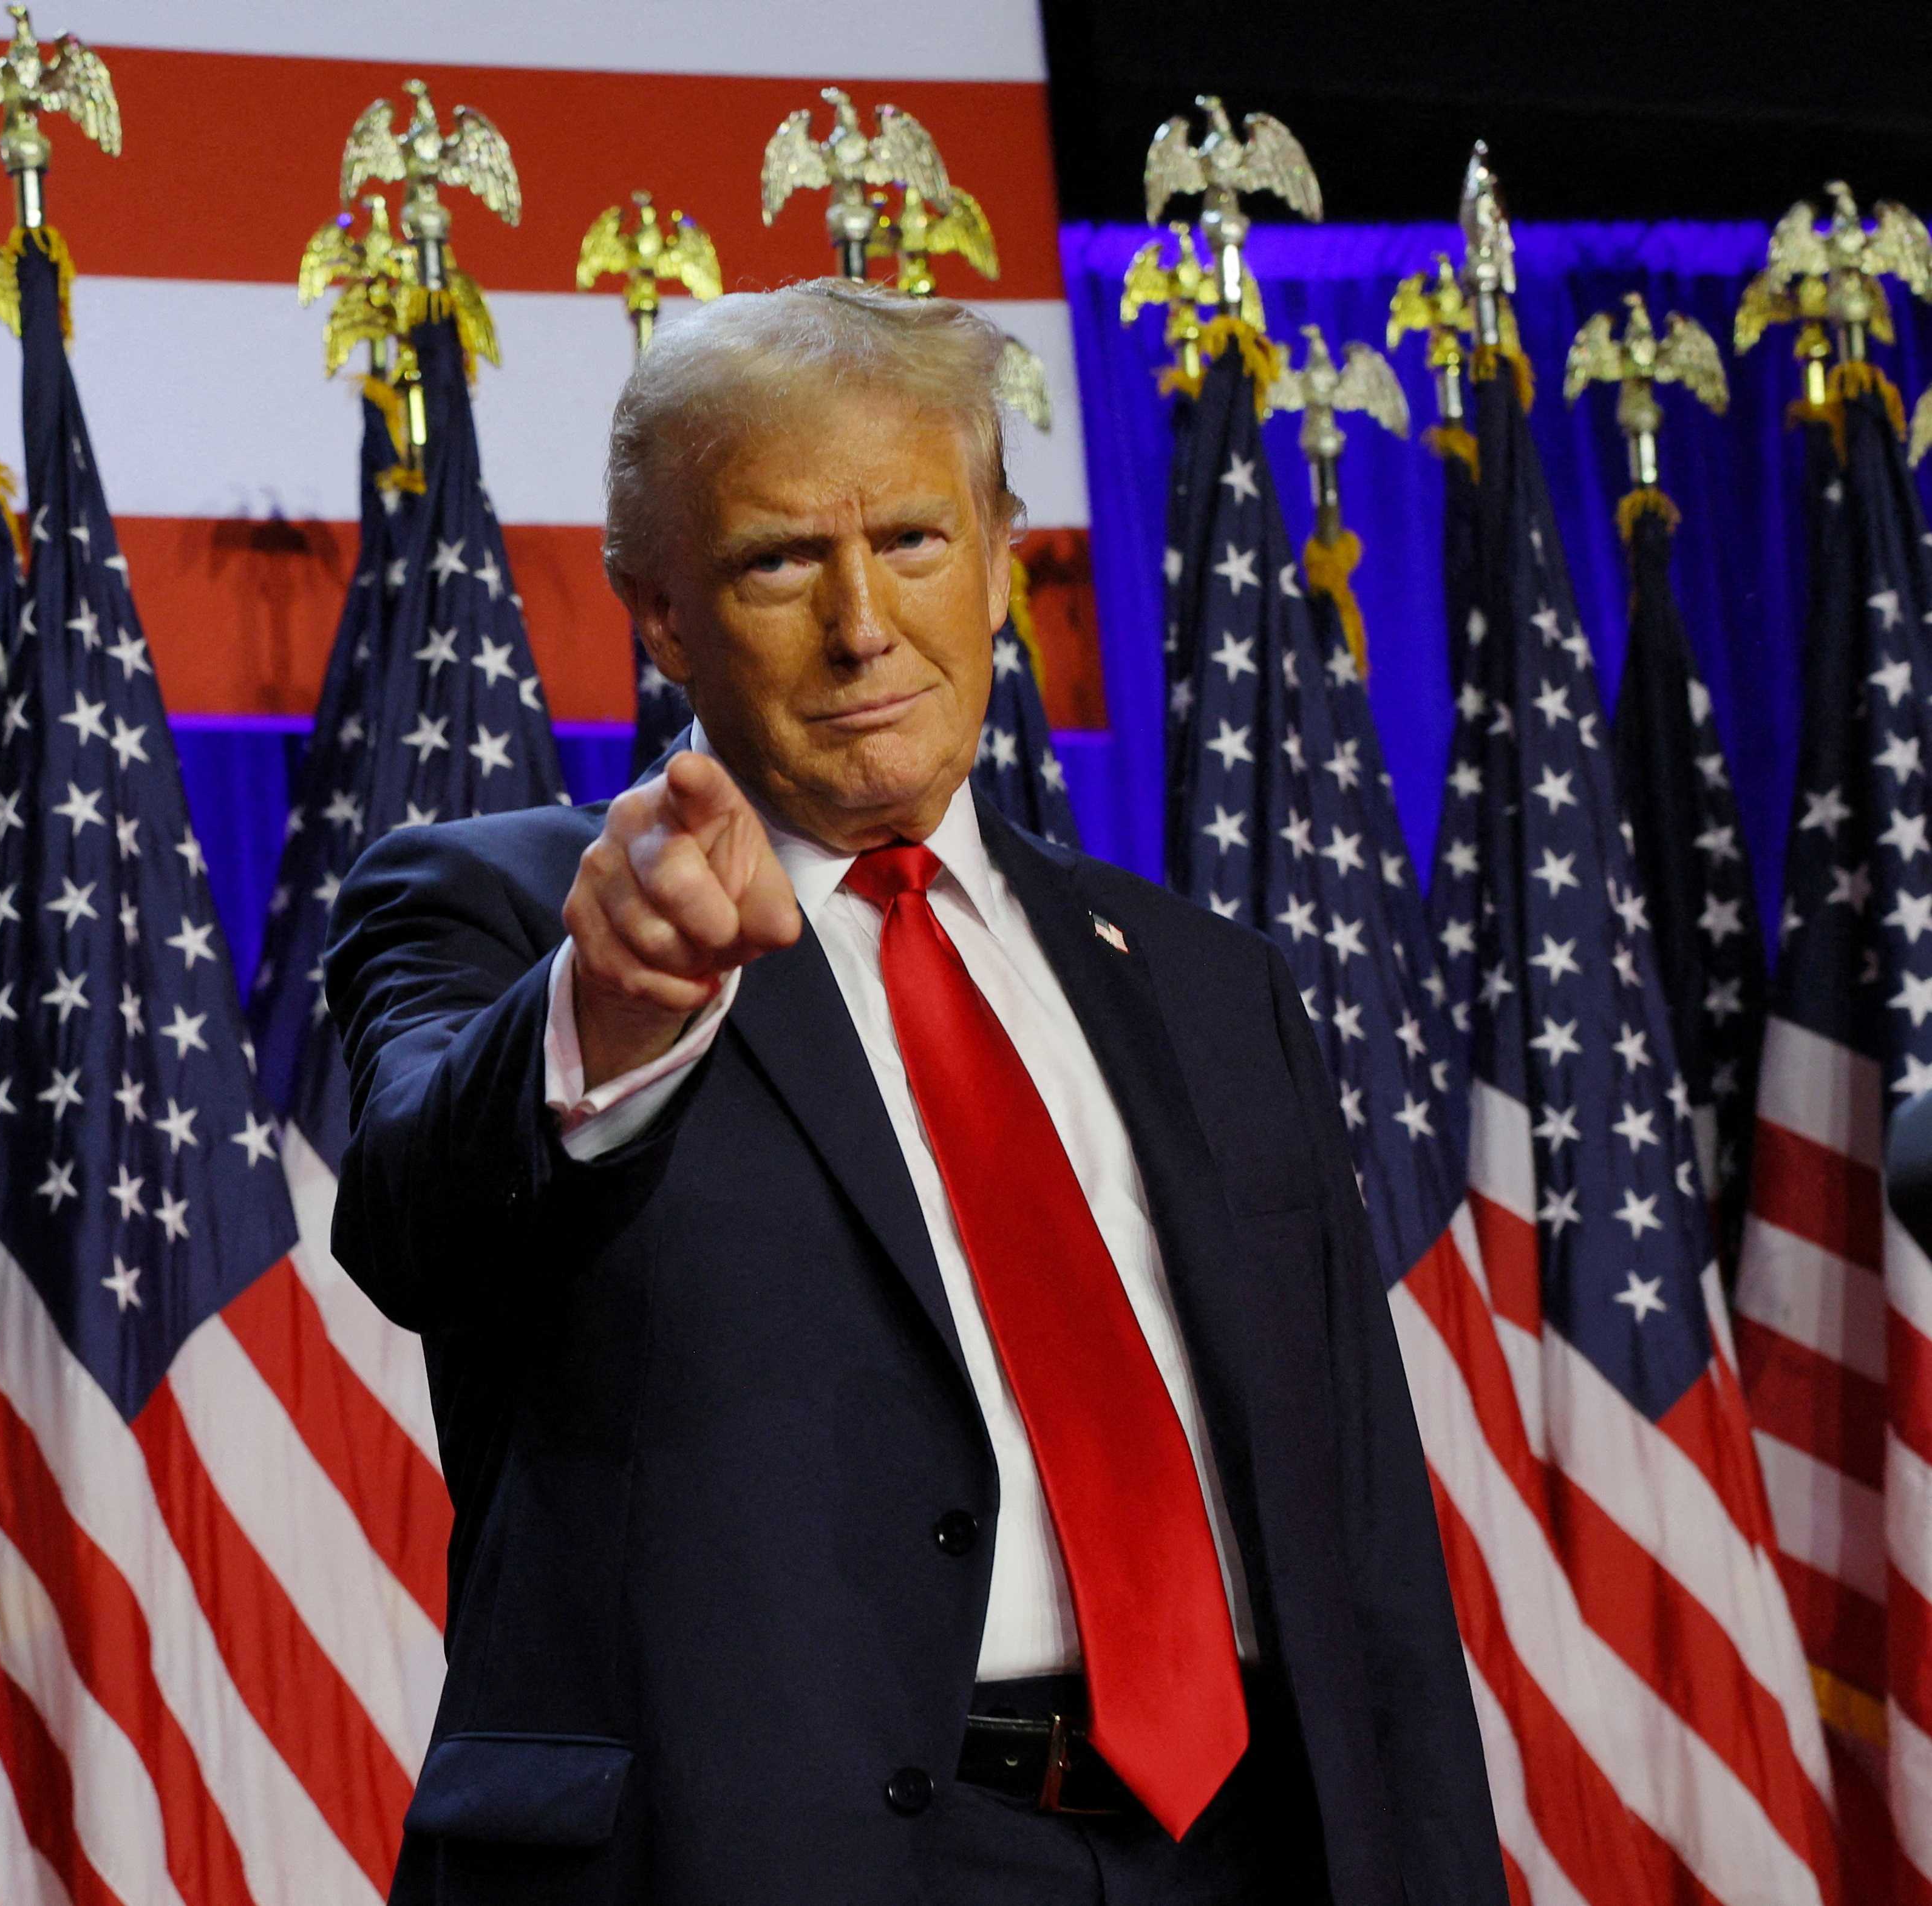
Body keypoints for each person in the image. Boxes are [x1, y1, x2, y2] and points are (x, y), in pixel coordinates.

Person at [325, 280, 1504, 1906]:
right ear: (659, 612)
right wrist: (617, 1005)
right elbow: (414, 1221)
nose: (861, 621)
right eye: (776, 560)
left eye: (910, 539)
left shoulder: (1203, 979)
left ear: (1000, 556)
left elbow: (1360, 1536)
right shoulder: (514, 913)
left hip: (1234, 1854)